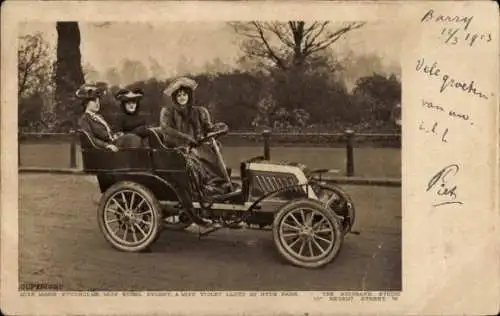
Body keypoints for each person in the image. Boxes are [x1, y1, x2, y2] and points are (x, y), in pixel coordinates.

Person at [159, 77, 231, 195]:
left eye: (184, 95)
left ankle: (219, 182)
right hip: (177, 147)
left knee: (214, 147)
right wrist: (186, 138)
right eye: (179, 95)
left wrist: (219, 127)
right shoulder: (168, 111)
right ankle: (204, 186)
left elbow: (208, 127)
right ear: (175, 98)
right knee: (195, 155)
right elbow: (167, 130)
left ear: (189, 96)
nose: (182, 98)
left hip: (196, 144)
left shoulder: (198, 111)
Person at [76, 83, 142, 151]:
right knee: (131, 138)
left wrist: (116, 135)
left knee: (134, 137)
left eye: (98, 100)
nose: (97, 103)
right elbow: (90, 139)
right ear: (85, 103)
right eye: (94, 101)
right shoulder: (84, 119)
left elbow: (108, 134)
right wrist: (106, 145)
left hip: (112, 143)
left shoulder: (99, 117)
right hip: (103, 150)